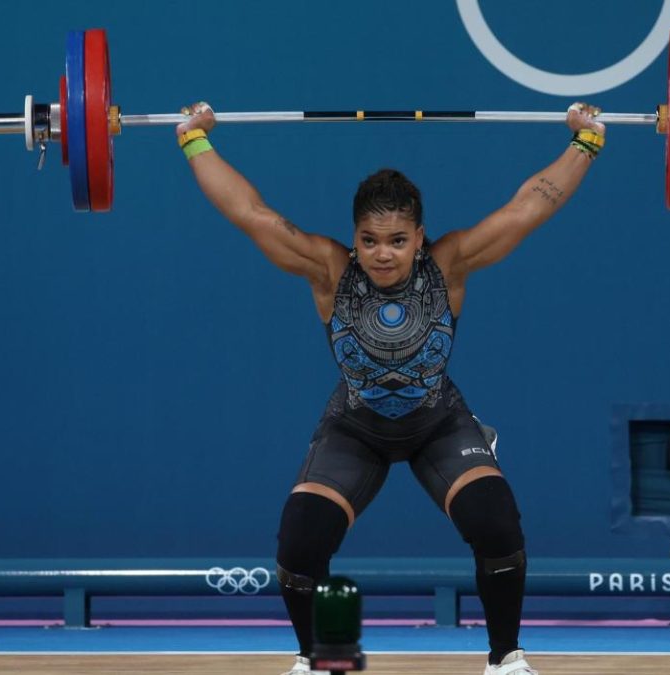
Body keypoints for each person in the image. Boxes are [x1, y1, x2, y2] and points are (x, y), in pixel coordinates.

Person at [175, 100, 605, 675]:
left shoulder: (447, 265)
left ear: (419, 237)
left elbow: (527, 208)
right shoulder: (330, 269)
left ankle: (505, 658)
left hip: (438, 422)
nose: (384, 253)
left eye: (398, 240)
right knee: (300, 544)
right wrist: (194, 140)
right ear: (354, 237)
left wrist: (586, 143)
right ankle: (322, 659)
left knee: (495, 520)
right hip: (356, 427)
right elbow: (250, 213)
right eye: (371, 239)